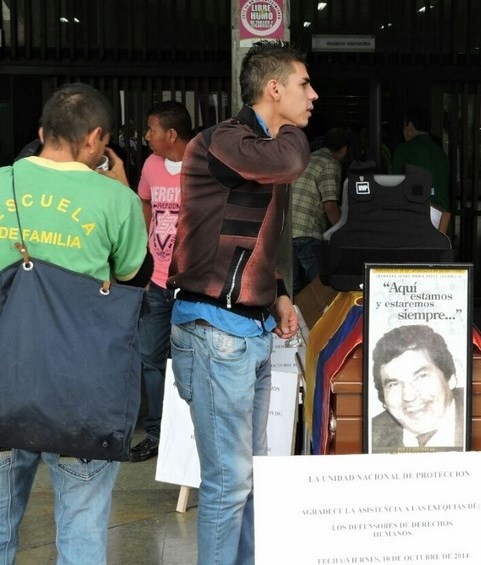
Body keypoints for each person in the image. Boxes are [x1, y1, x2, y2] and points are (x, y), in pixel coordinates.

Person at [167, 40, 317, 565]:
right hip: (214, 330)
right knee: (229, 484)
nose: (313, 96)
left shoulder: (262, 151)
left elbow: (252, 240)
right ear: (274, 89)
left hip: (246, 331)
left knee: (248, 478)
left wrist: (279, 296)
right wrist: (289, 131)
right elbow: (292, 160)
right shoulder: (223, 141)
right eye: (303, 84)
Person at [0, 83, 150, 564]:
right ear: (95, 138)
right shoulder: (115, 199)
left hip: (4, 384)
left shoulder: (2, 183)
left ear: (42, 132)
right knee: (82, 535)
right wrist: (123, 189)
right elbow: (134, 275)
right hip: (81, 394)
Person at [130, 100, 193, 463]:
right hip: (156, 282)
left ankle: (186, 437)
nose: (146, 136)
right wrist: (145, 253)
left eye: (151, 129)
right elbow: (144, 203)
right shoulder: (151, 165)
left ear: (171, 134)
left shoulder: (202, 164)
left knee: (190, 362)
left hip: (191, 285)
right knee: (150, 360)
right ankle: (155, 435)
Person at [370, 324, 464, 452]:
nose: (409, 395)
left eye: (421, 376)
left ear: (451, 379)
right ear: (384, 401)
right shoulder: (371, 436)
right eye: (394, 384)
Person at [287, 126, 347, 295]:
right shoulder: (330, 164)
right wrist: (343, 233)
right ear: (345, 149)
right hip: (307, 231)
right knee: (319, 286)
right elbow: (330, 206)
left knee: (292, 287)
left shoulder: (308, 158)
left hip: (287, 231)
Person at [390, 106, 451, 233]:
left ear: (410, 125)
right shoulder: (441, 154)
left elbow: (394, 187)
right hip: (442, 218)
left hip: (414, 216)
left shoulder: (404, 150)